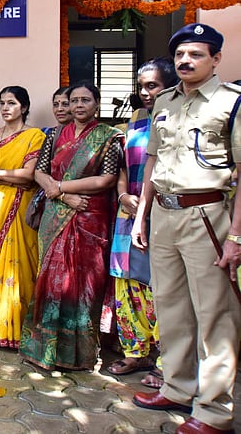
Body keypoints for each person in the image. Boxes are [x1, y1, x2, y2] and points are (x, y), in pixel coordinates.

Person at [131, 24, 241, 434]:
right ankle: (177, 388)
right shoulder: (164, 102)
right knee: (171, 306)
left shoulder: (231, 103)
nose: (185, 61)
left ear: (215, 59)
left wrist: (236, 237)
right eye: (179, 55)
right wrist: (142, 217)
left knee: (214, 315)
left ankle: (213, 411)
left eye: (195, 54)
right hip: (163, 213)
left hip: (207, 216)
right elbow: (152, 164)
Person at [20, 82, 122, 370]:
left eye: (85, 100)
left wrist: (61, 186)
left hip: (90, 216)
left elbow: (106, 180)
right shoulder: (53, 135)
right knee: (50, 279)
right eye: (74, 100)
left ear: (96, 104)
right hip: (56, 213)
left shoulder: (109, 137)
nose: (78, 105)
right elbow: (40, 172)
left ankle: (79, 354)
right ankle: (44, 349)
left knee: (85, 283)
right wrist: (63, 194)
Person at [105, 59, 176, 384]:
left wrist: (146, 209)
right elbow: (122, 167)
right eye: (142, 86)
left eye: (153, 86)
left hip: (163, 212)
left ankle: (168, 361)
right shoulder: (136, 120)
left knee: (163, 286)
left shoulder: (178, 120)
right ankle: (136, 353)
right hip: (128, 211)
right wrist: (122, 197)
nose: (146, 93)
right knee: (127, 281)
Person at [0, 86, 45, 348]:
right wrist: (4, 173)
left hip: (21, 205)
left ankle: (20, 330)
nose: (6, 108)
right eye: (2, 103)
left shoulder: (34, 136)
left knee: (20, 264)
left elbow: (29, 174)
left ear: (25, 107)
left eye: (12, 103)